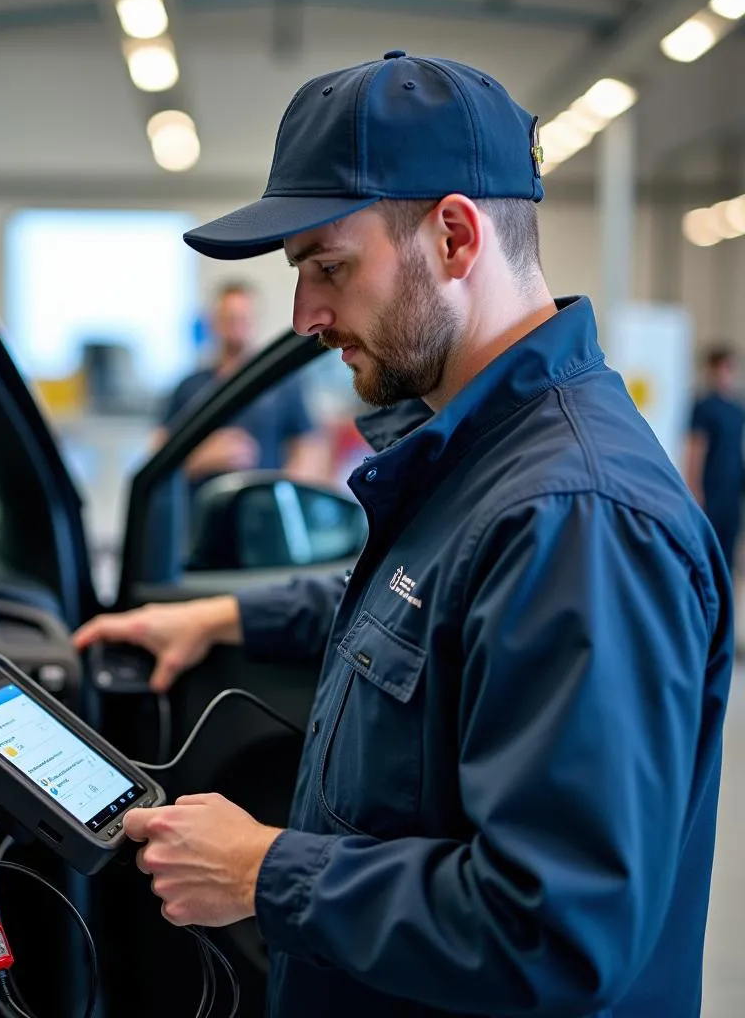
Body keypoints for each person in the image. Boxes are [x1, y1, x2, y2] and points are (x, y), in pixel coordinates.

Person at [74, 51, 733, 1018]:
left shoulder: (578, 518)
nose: (306, 316)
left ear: (455, 236)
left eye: (328, 267)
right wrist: (220, 616)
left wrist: (266, 872)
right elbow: (424, 607)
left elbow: (554, 932)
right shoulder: (481, 457)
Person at [155, 281, 329, 494]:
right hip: (200, 515)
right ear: (214, 322)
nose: (237, 325)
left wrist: (284, 495)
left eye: (243, 318)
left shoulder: (281, 382)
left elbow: (309, 448)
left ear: (255, 321)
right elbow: (157, 458)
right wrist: (202, 457)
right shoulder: (189, 386)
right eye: (229, 318)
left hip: (260, 511)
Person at [685, 346, 745, 571]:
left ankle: (727, 598)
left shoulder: (738, 409)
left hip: (733, 490)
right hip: (711, 489)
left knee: (730, 549)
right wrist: (695, 489)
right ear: (712, 370)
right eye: (725, 368)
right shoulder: (704, 407)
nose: (729, 374)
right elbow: (695, 448)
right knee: (709, 550)